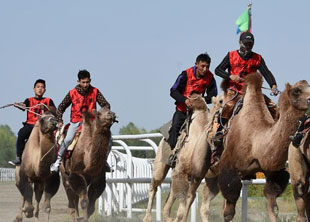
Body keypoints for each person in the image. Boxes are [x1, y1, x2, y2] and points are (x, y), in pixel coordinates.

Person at [213, 32, 279, 142]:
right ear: (240, 43)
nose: (248, 47)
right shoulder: (231, 55)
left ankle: (276, 131)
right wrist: (230, 76)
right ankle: (219, 130)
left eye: (250, 44)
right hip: (234, 91)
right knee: (228, 106)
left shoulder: (257, 58)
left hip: (252, 91)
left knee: (274, 107)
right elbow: (217, 70)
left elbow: (266, 72)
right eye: (246, 44)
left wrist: (273, 85)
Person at [50, 69, 111, 173]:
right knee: (68, 139)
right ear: (78, 81)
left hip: (92, 122)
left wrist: (100, 113)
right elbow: (61, 107)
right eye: (83, 82)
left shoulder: (95, 91)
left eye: (87, 82)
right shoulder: (72, 93)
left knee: (109, 140)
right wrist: (60, 120)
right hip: (76, 121)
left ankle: (104, 161)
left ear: (90, 80)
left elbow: (106, 105)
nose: (86, 84)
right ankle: (58, 161)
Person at [167, 53, 218, 167]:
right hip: (183, 110)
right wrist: (184, 100)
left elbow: (213, 95)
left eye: (207, 67)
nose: (205, 69)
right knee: (175, 127)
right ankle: (173, 155)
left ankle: (213, 156)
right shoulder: (185, 74)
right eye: (202, 66)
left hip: (200, 111)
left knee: (214, 129)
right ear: (196, 64)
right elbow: (173, 91)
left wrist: (200, 99)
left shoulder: (210, 77)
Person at [9, 79, 56, 166]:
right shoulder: (29, 100)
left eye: (42, 87)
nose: (40, 89)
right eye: (38, 87)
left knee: (56, 138)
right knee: (21, 134)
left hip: (44, 126)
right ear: (34, 89)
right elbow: (23, 107)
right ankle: (19, 157)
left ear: (45, 90)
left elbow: (54, 110)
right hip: (31, 125)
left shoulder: (48, 100)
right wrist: (18, 105)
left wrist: (46, 107)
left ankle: (55, 160)